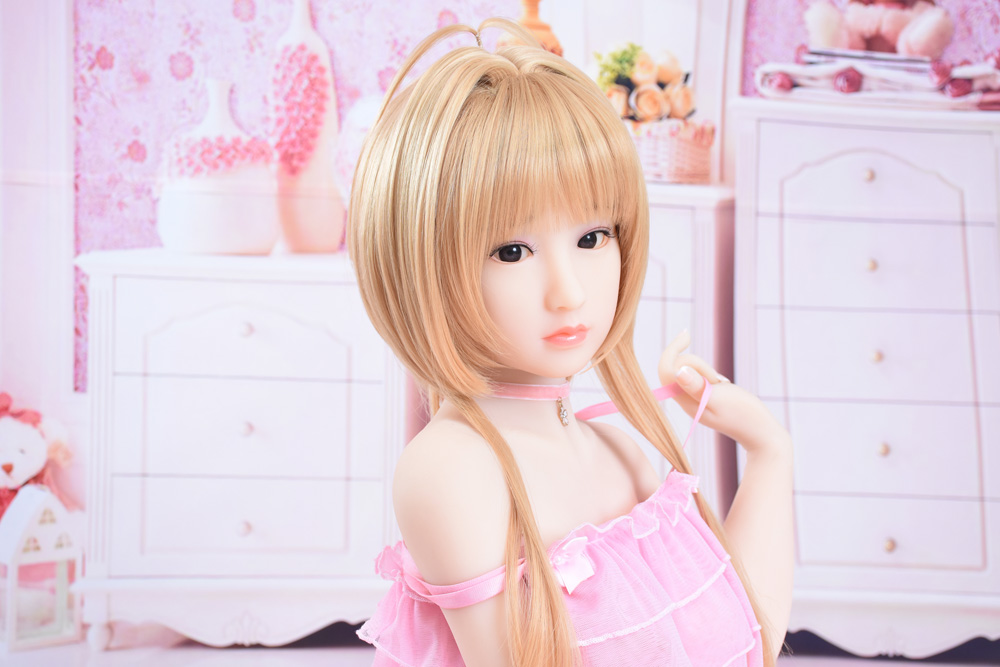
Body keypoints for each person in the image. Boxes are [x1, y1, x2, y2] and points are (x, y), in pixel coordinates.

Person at [347, 17, 793, 667]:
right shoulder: (453, 469)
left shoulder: (617, 451)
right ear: (419, 263)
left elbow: (747, 642)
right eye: (511, 251)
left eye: (592, 238)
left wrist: (769, 451)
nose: (569, 291)